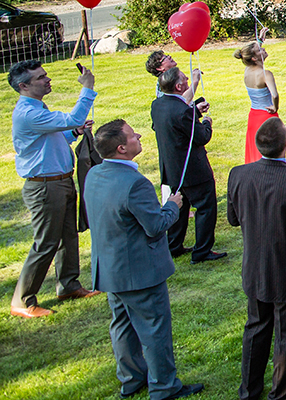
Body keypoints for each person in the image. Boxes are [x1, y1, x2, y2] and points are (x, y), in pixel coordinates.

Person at [85, 119, 201, 399]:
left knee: (122, 325)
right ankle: (163, 386)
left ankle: (131, 378)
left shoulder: (94, 175)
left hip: (110, 268)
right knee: (154, 330)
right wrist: (172, 207)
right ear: (122, 148)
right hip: (139, 270)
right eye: (132, 135)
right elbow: (155, 225)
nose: (138, 135)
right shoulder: (135, 184)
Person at [227, 117, 286, 400]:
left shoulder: (238, 175)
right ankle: (281, 394)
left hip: (255, 267)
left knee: (256, 329)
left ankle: (249, 392)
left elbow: (233, 219)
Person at [7, 60, 101, 318]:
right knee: (46, 243)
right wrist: (88, 88)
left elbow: (55, 137)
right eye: (40, 78)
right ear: (23, 86)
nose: (47, 80)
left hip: (60, 181)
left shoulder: (37, 108)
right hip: (45, 187)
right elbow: (72, 117)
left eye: (45, 75)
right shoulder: (28, 112)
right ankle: (22, 300)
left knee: (68, 236)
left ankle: (68, 285)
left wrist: (74, 133)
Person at [151, 67, 224, 263]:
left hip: (172, 167)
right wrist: (206, 122)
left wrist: (194, 113)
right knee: (206, 208)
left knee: (179, 207)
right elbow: (201, 137)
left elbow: (173, 125)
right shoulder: (183, 111)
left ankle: (173, 246)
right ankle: (202, 251)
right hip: (193, 169)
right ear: (179, 86)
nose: (187, 79)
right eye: (185, 78)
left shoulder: (157, 105)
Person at [234, 42, 280, 165]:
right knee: (271, 150)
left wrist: (260, 39)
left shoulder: (247, 70)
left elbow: (247, 53)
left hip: (254, 115)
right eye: (260, 49)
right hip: (267, 115)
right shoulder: (266, 74)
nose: (263, 48)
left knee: (255, 150)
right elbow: (274, 95)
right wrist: (275, 107)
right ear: (254, 58)